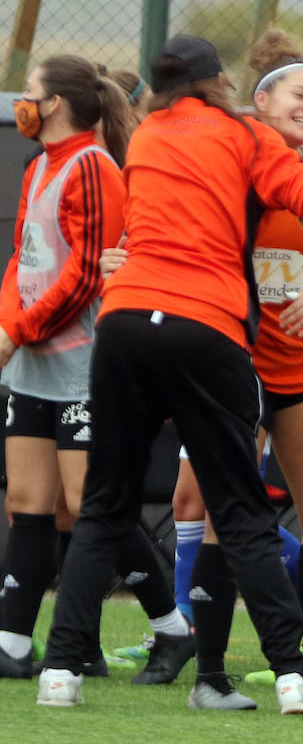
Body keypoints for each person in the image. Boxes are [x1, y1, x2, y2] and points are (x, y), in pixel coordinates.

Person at [34, 34, 303, 713]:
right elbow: (164, 228)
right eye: (299, 94)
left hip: (295, 363)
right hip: (222, 353)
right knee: (210, 510)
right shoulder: (238, 146)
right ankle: (214, 675)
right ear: (255, 98)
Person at [0, 54, 190, 685]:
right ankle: (15, 643)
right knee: (30, 505)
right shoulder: (38, 167)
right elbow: (23, 261)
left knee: (88, 505)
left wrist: (20, 330)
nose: (21, 101)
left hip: (83, 365)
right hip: (31, 365)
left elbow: (84, 274)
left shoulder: (94, 167)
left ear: (55, 103)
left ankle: (171, 629)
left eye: (29, 92)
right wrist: (8, 328)